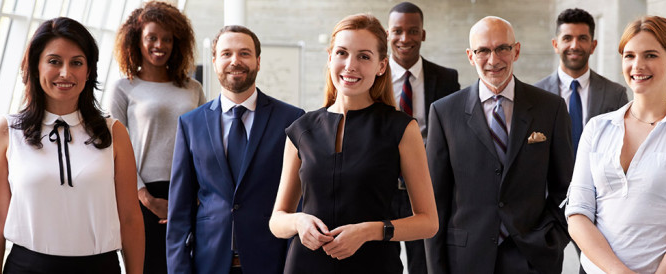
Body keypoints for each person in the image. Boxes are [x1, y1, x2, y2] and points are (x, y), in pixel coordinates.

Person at [269, 13, 438, 274]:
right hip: (306, 265)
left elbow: (428, 222)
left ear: (381, 66)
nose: (350, 65)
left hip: (374, 265)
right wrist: (299, 222)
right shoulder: (301, 129)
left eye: (364, 56)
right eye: (342, 53)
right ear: (329, 58)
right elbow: (277, 220)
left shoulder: (402, 128)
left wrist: (370, 230)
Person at [565, 16, 666, 273]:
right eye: (629, 55)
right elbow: (577, 214)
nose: (638, 65)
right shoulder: (597, 128)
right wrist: (619, 272)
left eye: (650, 55)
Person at [425, 16, 573, 274]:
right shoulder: (444, 112)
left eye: (502, 48)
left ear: (516, 51)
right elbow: (435, 201)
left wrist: (552, 239)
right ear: (471, 56)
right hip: (465, 260)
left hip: (533, 258)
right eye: (483, 50)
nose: (493, 60)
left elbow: (566, 189)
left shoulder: (550, 108)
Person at [0, 17, 144, 274]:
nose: (65, 73)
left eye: (76, 62)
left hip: (99, 267)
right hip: (27, 267)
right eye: (54, 61)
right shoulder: (8, 131)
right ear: (35, 67)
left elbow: (130, 219)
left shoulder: (114, 133)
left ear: (88, 72)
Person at [167, 25, 304, 274]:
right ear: (215, 61)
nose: (235, 61)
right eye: (226, 53)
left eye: (244, 53)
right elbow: (179, 212)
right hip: (208, 262)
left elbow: (301, 201)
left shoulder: (292, 120)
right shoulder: (190, 124)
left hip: (271, 261)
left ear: (258, 61)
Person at [107, 2, 205, 273]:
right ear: (137, 40)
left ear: (177, 43)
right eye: (151, 37)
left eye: (167, 39)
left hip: (188, 193)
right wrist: (147, 199)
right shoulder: (123, 88)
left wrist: (194, 196)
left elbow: (206, 143)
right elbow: (114, 148)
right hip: (140, 195)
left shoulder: (192, 88)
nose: (159, 45)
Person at [386, 2, 459, 273]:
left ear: (423, 34)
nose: (405, 38)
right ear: (387, 34)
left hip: (426, 188)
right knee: (383, 260)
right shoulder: (374, 77)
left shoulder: (446, 79)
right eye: (398, 31)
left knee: (424, 263)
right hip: (382, 187)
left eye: (413, 31)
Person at [534, 8, 628, 154]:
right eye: (567, 38)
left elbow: (621, 148)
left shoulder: (615, 94)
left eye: (582, 38)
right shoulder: (535, 94)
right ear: (555, 45)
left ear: (593, 46)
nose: (574, 45)